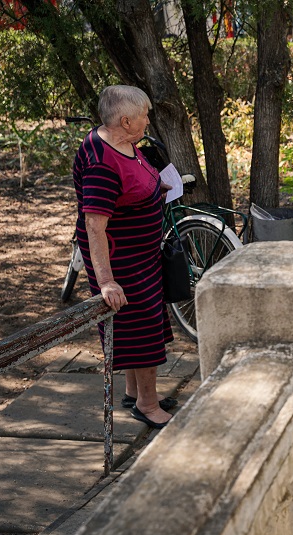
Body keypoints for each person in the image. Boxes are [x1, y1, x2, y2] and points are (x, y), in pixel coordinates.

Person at [74, 85, 177, 429]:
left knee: (139, 325)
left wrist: (154, 190)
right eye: (144, 116)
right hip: (122, 261)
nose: (148, 121)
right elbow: (94, 225)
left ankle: (135, 393)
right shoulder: (101, 164)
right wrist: (106, 281)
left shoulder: (123, 141)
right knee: (142, 328)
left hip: (142, 256)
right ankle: (148, 405)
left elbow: (131, 184)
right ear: (126, 121)